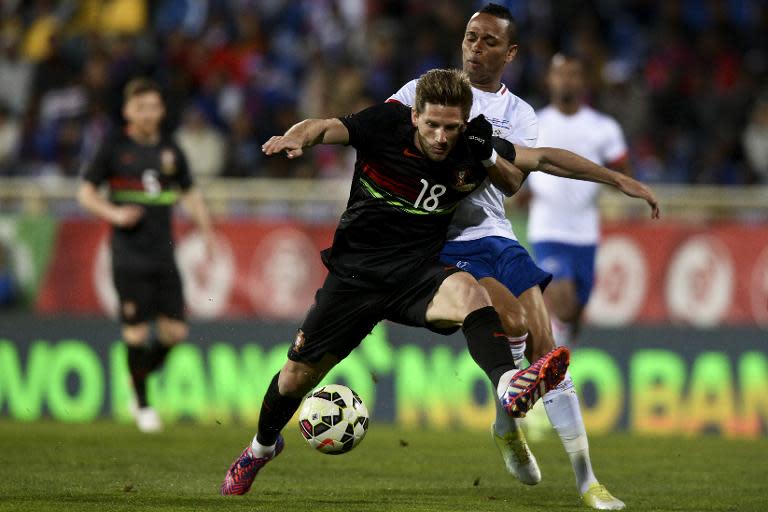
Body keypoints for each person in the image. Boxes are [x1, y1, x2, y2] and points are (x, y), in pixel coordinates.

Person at [219, 68, 589, 496]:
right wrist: (299, 137)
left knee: (470, 293)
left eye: (451, 128)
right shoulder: (384, 124)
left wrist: (617, 180)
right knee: (294, 379)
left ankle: (509, 384)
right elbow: (324, 127)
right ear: (414, 116)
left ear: (465, 124)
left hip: (417, 272)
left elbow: (539, 159)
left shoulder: (474, 145)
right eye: (431, 125)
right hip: (355, 277)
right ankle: (262, 448)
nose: (440, 137)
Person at [387, 5, 658, 510]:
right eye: (470, 37)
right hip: (440, 240)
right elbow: (382, 135)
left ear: (509, 53)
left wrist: (617, 178)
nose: (475, 47)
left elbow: (522, 175)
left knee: (545, 343)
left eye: (489, 41)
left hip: (495, 234)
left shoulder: (520, 115)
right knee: (508, 324)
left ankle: (586, 480)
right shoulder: (421, 93)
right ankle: (507, 426)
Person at [77, 78, 213, 433]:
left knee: (175, 332)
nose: (148, 114)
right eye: (141, 108)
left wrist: (206, 229)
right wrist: (115, 214)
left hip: (163, 255)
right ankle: (142, 402)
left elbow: (190, 192)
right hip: (128, 256)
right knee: (136, 333)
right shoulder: (113, 148)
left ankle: (137, 378)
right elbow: (86, 194)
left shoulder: (171, 149)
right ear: (127, 111)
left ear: (162, 110)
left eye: (153, 107)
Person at [527, 53, 633, 347]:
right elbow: (517, 166)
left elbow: (622, 172)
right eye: (560, 74)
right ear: (549, 79)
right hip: (547, 227)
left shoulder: (603, 127)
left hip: (585, 230)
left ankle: (556, 357)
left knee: (573, 313)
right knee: (562, 299)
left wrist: (617, 179)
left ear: (584, 81)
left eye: (572, 74)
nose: (566, 80)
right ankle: (547, 361)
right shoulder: (534, 123)